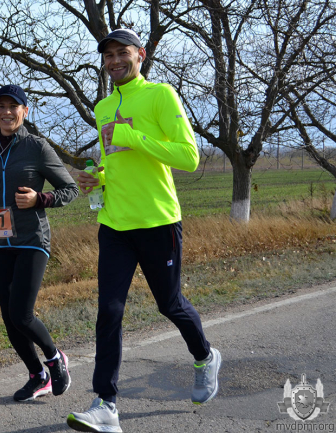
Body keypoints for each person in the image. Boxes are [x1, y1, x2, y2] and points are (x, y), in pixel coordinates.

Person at [67, 29, 221, 432]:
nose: (115, 61)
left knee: (169, 304)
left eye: (123, 53)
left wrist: (133, 136)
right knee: (109, 311)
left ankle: (205, 356)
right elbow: (114, 164)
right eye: (108, 56)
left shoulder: (160, 95)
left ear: (141, 55)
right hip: (115, 224)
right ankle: (105, 403)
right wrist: (96, 177)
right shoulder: (103, 107)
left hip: (158, 222)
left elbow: (188, 157)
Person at [0, 84, 79, 402]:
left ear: (24, 111)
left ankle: (55, 359)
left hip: (31, 239)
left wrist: (39, 198)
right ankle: (37, 375)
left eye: (12, 107)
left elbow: (70, 189)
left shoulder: (37, 147)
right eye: (0, 106)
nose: (6, 112)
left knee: (21, 313)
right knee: (8, 315)